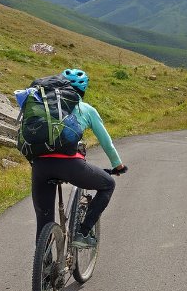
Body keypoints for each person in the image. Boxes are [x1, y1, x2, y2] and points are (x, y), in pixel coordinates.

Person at [30, 68, 127, 248]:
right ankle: (82, 232)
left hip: (40, 165)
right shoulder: (86, 109)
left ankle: (45, 270)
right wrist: (117, 165)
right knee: (108, 184)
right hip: (70, 164)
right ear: (83, 90)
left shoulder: (43, 105)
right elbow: (106, 142)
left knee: (43, 221)